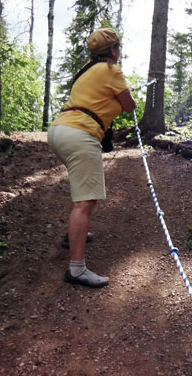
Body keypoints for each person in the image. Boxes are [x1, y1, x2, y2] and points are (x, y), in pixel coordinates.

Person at [48, 27, 136, 288]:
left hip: (60, 130)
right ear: (112, 50)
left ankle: (73, 236)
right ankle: (76, 269)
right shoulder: (111, 71)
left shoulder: (86, 71)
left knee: (81, 194)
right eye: (118, 48)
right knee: (85, 202)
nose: (119, 52)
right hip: (81, 133)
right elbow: (130, 105)